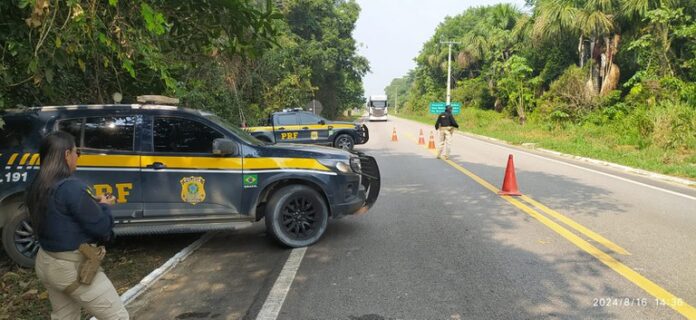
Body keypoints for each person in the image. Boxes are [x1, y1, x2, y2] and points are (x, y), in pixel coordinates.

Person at [25, 131, 129, 320]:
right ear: (66, 155)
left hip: (47, 262)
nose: (77, 157)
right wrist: (105, 206)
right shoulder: (71, 187)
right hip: (72, 269)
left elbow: (59, 212)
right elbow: (101, 228)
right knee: (118, 316)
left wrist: (90, 201)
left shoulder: (37, 183)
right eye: (76, 152)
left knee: (65, 317)